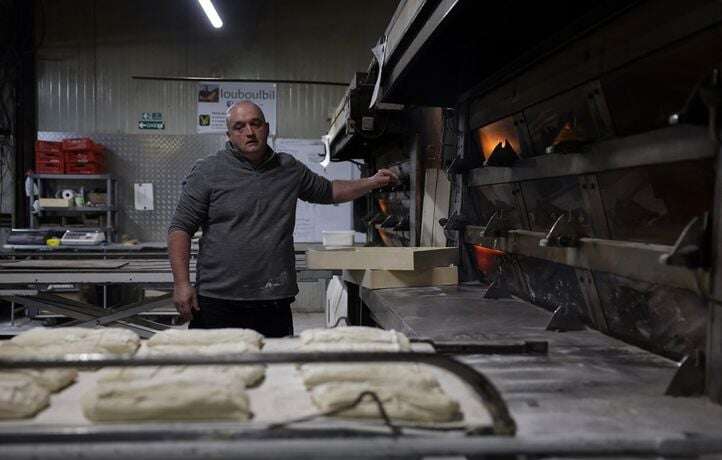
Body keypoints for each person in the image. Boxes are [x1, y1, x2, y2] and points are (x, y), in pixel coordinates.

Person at [168, 101, 398, 337]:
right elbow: (180, 228)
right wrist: (182, 284)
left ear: (266, 128)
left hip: (273, 300)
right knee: (216, 369)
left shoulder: (288, 168)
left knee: (275, 368)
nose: (249, 132)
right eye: (239, 127)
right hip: (218, 300)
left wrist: (371, 182)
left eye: (255, 124)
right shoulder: (208, 171)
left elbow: (330, 191)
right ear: (229, 134)